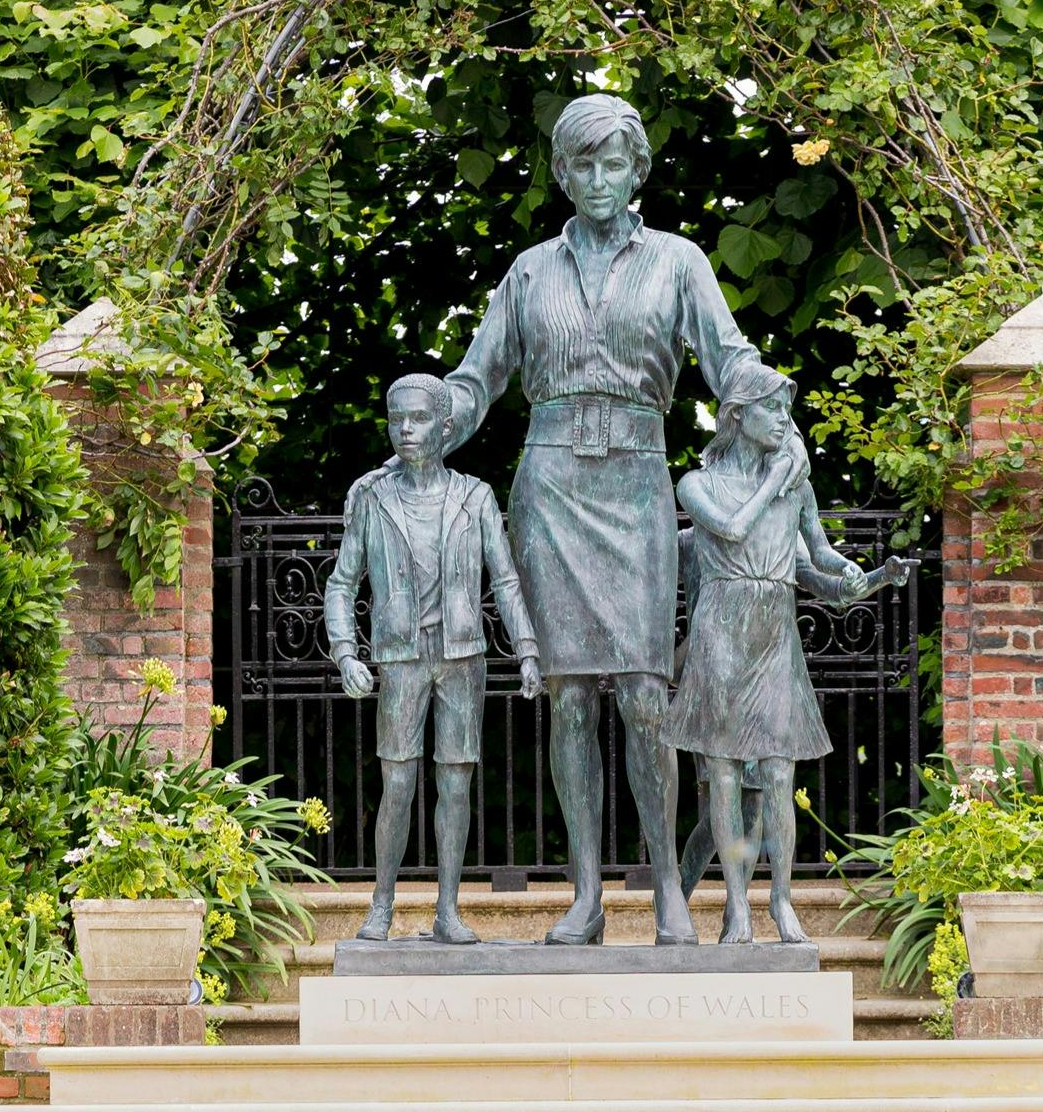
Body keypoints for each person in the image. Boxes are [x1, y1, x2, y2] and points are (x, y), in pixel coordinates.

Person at [427, 93, 801, 946]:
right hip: (551, 486)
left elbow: (729, 354)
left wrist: (773, 406)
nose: (598, 179)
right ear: (562, 174)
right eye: (582, 165)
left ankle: (668, 883)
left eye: (613, 164)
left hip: (635, 481)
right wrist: (427, 421)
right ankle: (587, 894)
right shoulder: (528, 271)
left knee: (641, 692)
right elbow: (477, 377)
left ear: (638, 171)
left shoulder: (678, 262)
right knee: (567, 699)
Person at [662, 364, 903, 944]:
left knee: (776, 776)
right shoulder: (699, 485)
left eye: (785, 409)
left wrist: (865, 577)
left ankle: (782, 901)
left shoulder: (797, 488)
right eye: (772, 408)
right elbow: (734, 529)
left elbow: (818, 560)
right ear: (738, 415)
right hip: (721, 635)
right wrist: (775, 480)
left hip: (774, 638)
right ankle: (738, 906)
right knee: (722, 779)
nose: (783, 419)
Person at [324, 373, 543, 943]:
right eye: (397, 419)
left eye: (417, 419)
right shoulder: (373, 499)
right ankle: (381, 906)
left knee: (455, 784)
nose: (405, 430)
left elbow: (507, 581)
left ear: (446, 428)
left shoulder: (475, 497)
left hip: (462, 657)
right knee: (395, 786)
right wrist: (346, 653)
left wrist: (527, 650)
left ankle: (448, 909)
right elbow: (342, 584)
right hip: (400, 659)